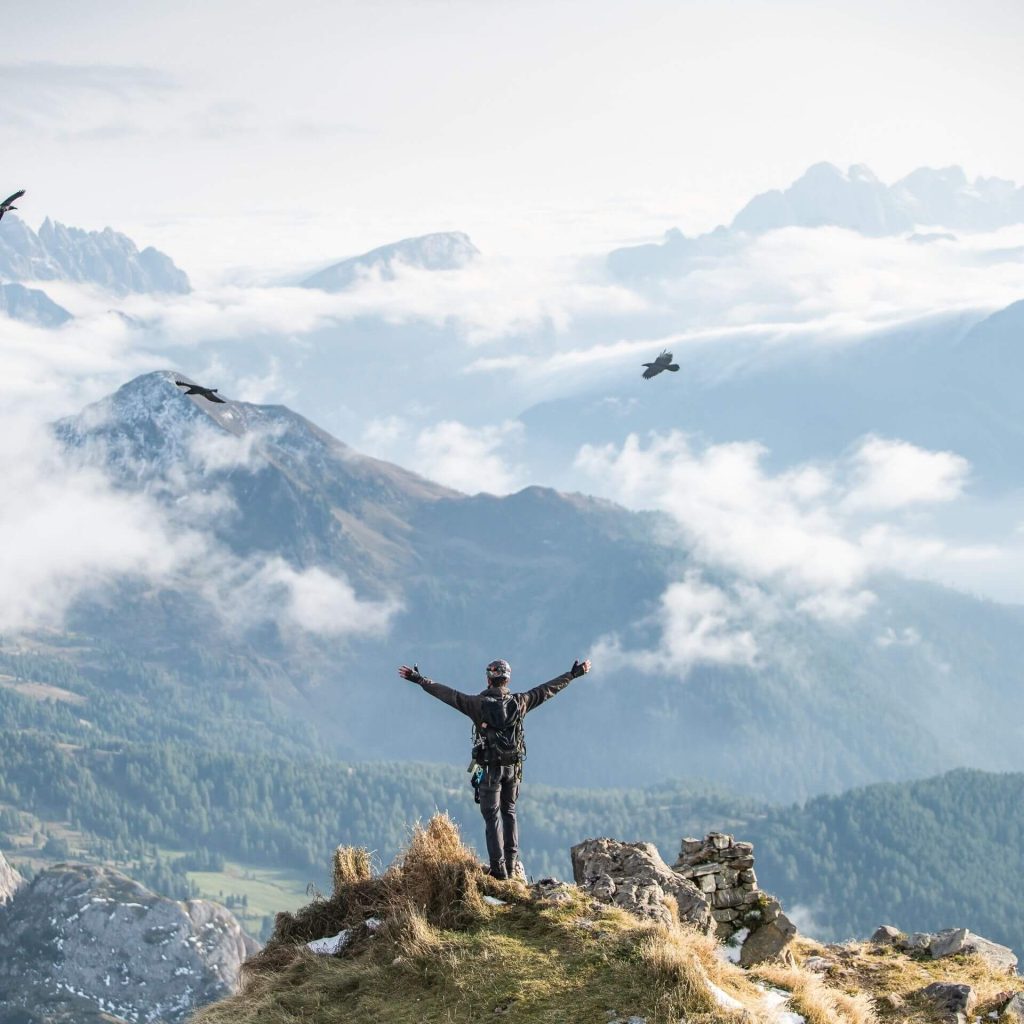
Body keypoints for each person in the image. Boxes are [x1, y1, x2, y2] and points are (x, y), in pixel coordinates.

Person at [397, 656, 591, 880]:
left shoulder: (476, 704)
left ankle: (498, 870)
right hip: (512, 769)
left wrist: (420, 679)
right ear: (507, 679)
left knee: (492, 817)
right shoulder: (521, 701)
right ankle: (511, 863)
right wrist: (573, 674)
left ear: (489, 679)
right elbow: (547, 690)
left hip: (489, 770)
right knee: (509, 812)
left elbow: (447, 694)